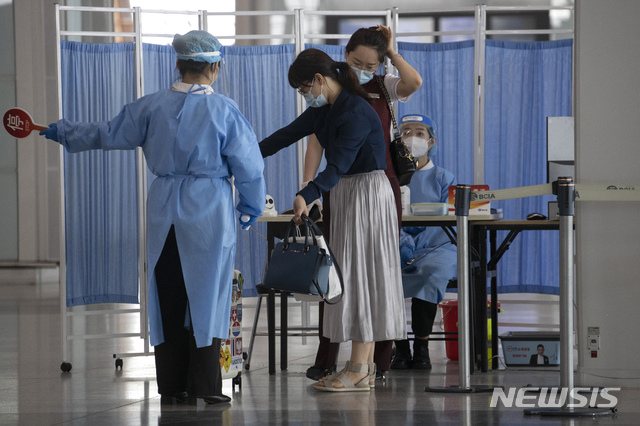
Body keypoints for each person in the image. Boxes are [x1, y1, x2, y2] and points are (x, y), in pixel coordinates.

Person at [39, 30, 266, 404]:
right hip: (209, 210)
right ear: (216, 67)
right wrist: (249, 210)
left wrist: (63, 132)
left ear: (177, 64)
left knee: (169, 290)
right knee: (207, 296)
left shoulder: (150, 106)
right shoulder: (224, 110)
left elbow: (106, 134)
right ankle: (206, 386)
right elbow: (249, 168)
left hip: (163, 208)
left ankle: (172, 383)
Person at [260, 48, 406, 391]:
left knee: (363, 276)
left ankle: (359, 367)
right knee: (349, 277)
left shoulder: (356, 111)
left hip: (368, 193)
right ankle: (361, 368)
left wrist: (306, 195)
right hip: (345, 194)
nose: (304, 96)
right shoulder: (325, 110)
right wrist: (241, 155)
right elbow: (283, 137)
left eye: (303, 89)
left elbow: (337, 164)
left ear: (319, 80)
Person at [303, 25, 423, 382]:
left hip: (378, 184)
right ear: (345, 54)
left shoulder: (385, 85)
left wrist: (392, 52)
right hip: (338, 184)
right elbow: (315, 142)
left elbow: (413, 82)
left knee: (377, 270)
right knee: (341, 271)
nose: (364, 70)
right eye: (357, 62)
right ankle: (330, 357)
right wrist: (308, 190)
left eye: (371, 65)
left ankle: (374, 363)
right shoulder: (332, 85)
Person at [390, 114, 457, 370]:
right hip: (396, 242)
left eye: (420, 133)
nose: (413, 138)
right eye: (406, 132)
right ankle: (400, 346)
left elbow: (447, 222)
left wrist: (417, 248)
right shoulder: (391, 177)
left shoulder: (444, 178)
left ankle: (422, 346)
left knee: (431, 272)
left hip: (437, 245)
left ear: (432, 142)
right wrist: (404, 242)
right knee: (386, 275)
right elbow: (389, 217)